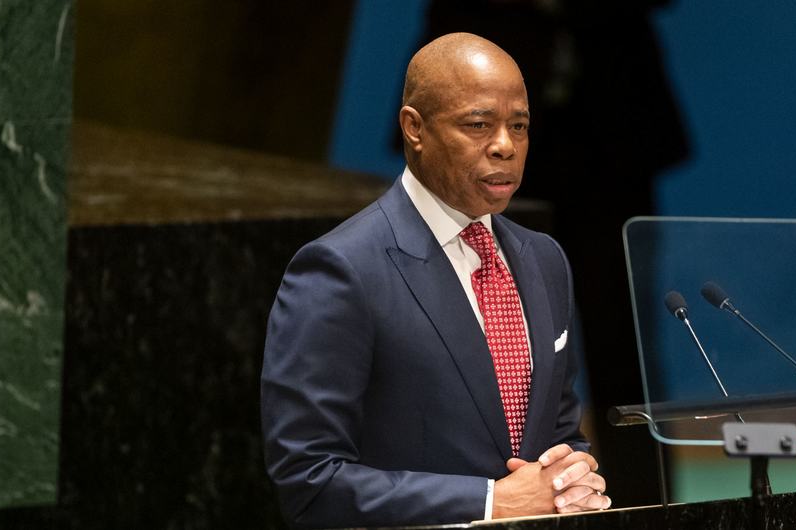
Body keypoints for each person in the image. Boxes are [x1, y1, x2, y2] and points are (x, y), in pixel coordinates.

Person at [260, 33, 610, 528]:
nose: (505, 146)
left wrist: (571, 477)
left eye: (520, 125)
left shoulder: (544, 259)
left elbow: (557, 434)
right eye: (478, 124)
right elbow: (310, 481)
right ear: (414, 128)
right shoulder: (341, 270)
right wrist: (491, 503)